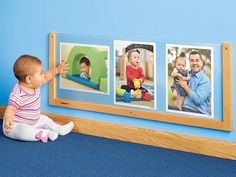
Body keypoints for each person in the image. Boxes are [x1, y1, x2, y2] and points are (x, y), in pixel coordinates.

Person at [3, 55, 74, 142]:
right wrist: (8, 120)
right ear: (29, 79)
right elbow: (11, 109)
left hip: (34, 121)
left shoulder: (35, 85)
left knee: (44, 119)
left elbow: (47, 76)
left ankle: (59, 129)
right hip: (16, 125)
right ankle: (44, 133)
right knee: (22, 131)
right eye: (40, 73)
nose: (43, 74)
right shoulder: (18, 94)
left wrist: (57, 70)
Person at [176, 51, 211, 115]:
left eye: (197, 60)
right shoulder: (186, 74)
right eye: (192, 60)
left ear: (202, 63)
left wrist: (185, 87)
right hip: (183, 110)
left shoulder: (205, 81)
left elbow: (198, 100)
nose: (194, 63)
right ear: (189, 62)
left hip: (198, 113)